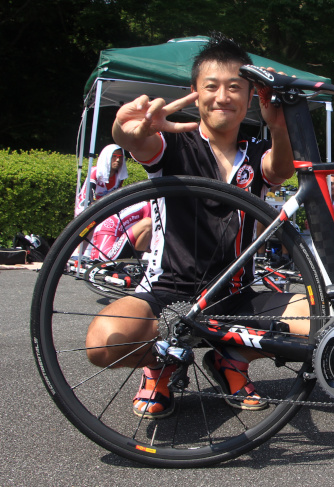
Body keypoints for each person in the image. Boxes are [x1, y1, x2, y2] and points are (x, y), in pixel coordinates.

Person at [85, 34, 310, 419]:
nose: (223, 96)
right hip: (165, 289)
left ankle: (232, 360)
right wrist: (126, 129)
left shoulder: (256, 152)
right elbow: (138, 141)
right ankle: (162, 361)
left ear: (250, 95)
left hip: (237, 294)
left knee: (322, 323)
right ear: (195, 92)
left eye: (235, 87)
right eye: (212, 86)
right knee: (103, 345)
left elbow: (282, 169)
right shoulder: (172, 143)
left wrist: (279, 126)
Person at [75, 144, 129, 216]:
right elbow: (90, 193)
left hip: (104, 207)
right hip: (87, 207)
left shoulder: (119, 177)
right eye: (114, 156)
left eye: (120, 157)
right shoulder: (95, 171)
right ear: (107, 157)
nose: (118, 160)